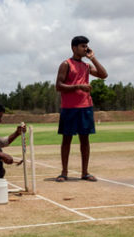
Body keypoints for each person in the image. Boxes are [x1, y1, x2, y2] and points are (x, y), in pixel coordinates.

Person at [55, 36, 108, 182]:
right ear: (74, 48)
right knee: (67, 139)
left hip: (85, 107)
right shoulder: (66, 64)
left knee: (85, 140)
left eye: (87, 46)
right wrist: (78, 86)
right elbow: (58, 86)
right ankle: (64, 172)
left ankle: (85, 172)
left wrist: (93, 58)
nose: (85, 49)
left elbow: (104, 75)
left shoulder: (86, 66)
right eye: (83, 46)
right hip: (69, 108)